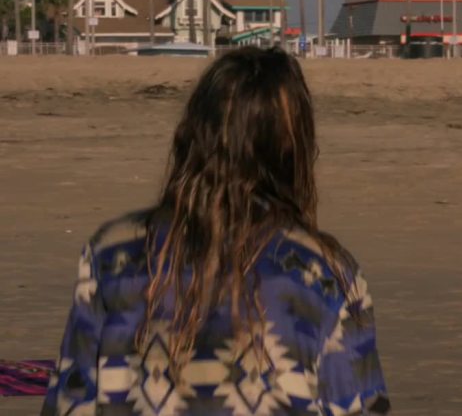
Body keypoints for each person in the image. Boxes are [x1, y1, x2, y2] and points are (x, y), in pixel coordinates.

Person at [41, 47, 390, 415]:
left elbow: (70, 402)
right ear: (295, 149)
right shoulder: (327, 274)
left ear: (192, 134)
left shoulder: (111, 255)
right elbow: (358, 406)